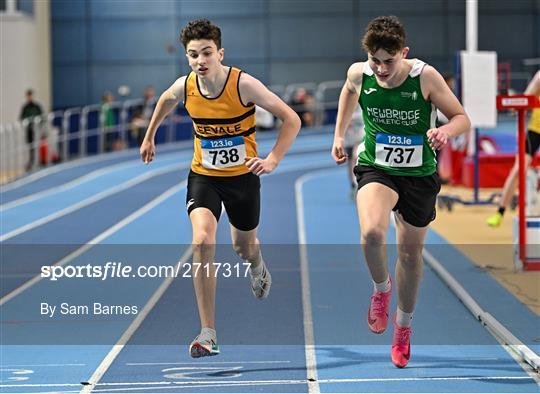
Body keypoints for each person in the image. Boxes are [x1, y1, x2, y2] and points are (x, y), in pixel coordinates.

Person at [140, 19, 301, 358]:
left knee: (243, 246)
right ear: (187, 57)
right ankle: (208, 332)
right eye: (193, 55)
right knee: (201, 240)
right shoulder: (185, 86)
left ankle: (256, 262)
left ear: (220, 53)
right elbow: (165, 101)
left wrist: (272, 159)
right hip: (204, 176)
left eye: (207, 53)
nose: (201, 61)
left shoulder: (243, 84)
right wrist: (149, 134)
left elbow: (292, 118)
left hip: (243, 179)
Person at [331, 15, 470, 368]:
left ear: (403, 53)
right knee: (372, 232)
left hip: (419, 175)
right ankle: (381, 288)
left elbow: (460, 117)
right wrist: (339, 134)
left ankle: (403, 327)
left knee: (410, 256)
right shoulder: (359, 73)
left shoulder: (425, 77)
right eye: (375, 60)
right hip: (377, 167)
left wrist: (446, 132)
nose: (380, 68)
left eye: (388, 61)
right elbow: (348, 93)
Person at [487, 70, 540, 227]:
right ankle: (500, 212)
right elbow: (522, 101)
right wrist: (511, 103)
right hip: (536, 131)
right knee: (518, 170)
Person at [344, 105, 364, 199]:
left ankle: (358, 184)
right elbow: (341, 121)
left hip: (360, 138)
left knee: (356, 158)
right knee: (350, 161)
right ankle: (352, 184)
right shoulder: (346, 106)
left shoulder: (363, 105)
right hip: (348, 139)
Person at [19, 89, 43, 171]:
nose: (30, 97)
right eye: (28, 96)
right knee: (30, 146)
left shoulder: (37, 106)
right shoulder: (25, 107)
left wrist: (41, 126)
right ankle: (31, 162)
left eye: (31, 95)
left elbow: (42, 117)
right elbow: (21, 117)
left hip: (37, 129)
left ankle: (38, 161)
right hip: (29, 129)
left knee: (38, 145)